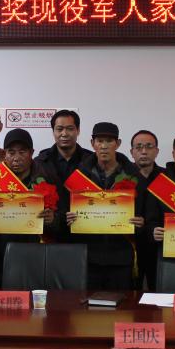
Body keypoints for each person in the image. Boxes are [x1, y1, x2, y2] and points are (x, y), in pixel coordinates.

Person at [0, 128, 59, 287]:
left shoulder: (46, 179)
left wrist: (53, 219)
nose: (16, 158)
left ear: (31, 153)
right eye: (11, 152)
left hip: (33, 256)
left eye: (22, 152)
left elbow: (62, 216)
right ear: (4, 154)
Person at [62, 122, 143, 290]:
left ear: (118, 144)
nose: (104, 146)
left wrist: (141, 223)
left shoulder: (133, 175)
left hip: (121, 256)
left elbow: (145, 215)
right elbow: (65, 210)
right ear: (92, 144)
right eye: (99, 141)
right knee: (86, 304)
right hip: (87, 256)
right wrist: (67, 218)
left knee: (122, 304)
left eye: (109, 141)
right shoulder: (79, 174)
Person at [130, 129, 161, 290]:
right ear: (131, 152)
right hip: (131, 246)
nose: (144, 151)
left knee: (159, 291)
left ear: (157, 151)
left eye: (149, 146)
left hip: (159, 246)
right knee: (131, 294)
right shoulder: (122, 176)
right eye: (139, 147)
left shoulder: (167, 177)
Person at [36, 109, 92, 184]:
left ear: (78, 130)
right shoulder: (40, 162)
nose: (64, 134)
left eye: (70, 129)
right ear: (53, 131)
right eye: (59, 129)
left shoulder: (91, 160)